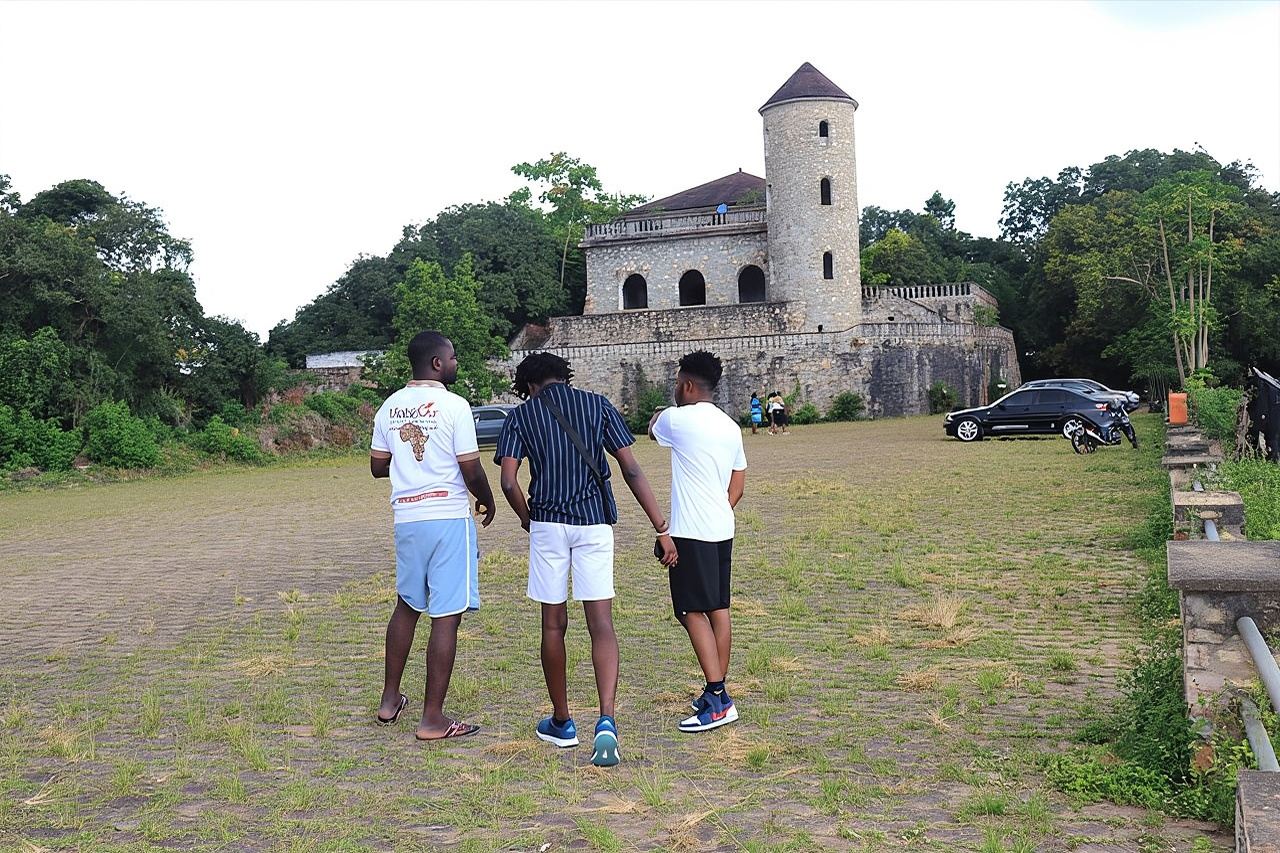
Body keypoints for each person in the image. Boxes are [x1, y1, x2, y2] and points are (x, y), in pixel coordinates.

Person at [495, 352, 676, 767]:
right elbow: (630, 469)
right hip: (595, 524)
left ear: (528, 385)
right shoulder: (598, 406)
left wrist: (527, 520)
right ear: (565, 377)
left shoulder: (520, 417)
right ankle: (607, 719)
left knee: (553, 624)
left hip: (547, 523)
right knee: (602, 624)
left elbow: (508, 481)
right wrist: (661, 528)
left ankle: (562, 722)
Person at [370, 330, 496, 741]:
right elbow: (471, 468)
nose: (456, 363)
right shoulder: (454, 406)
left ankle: (390, 700)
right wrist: (488, 500)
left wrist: (411, 467)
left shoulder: (389, 407)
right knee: (446, 615)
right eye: (454, 357)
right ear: (438, 363)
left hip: (407, 518)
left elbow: (377, 465)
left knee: (406, 605)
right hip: (447, 517)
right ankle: (432, 719)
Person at [648, 351, 747, 732]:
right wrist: (717, 509)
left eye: (677, 381)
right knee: (718, 609)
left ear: (687, 385)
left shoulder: (677, 418)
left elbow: (654, 425)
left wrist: (661, 411)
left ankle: (718, 698)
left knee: (690, 611)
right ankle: (718, 692)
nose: (675, 388)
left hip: (692, 532)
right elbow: (737, 484)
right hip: (722, 527)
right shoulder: (730, 426)